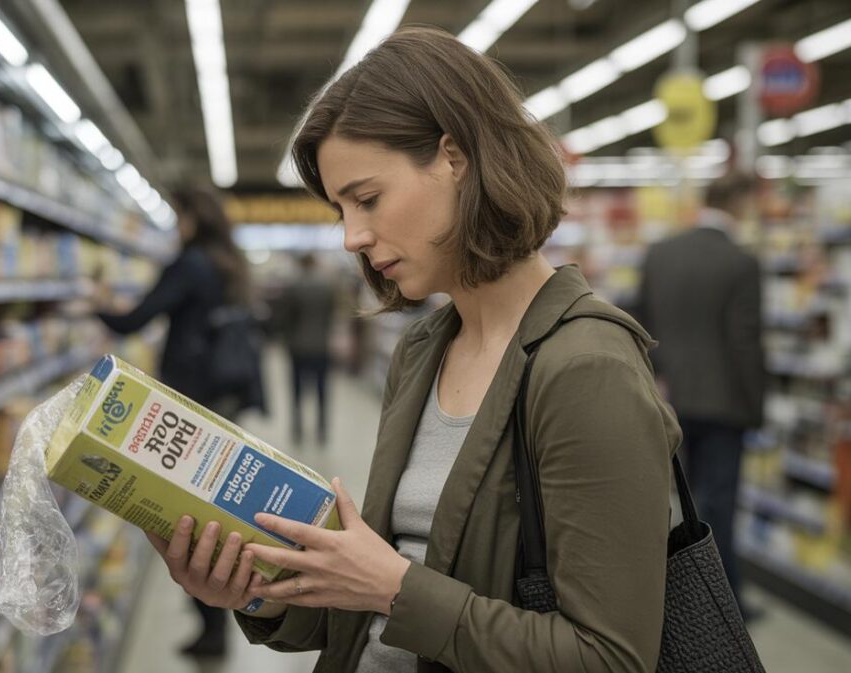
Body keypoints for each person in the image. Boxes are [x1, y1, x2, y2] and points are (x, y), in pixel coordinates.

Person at [142, 26, 683, 672]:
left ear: (453, 158)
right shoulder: (424, 350)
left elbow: (610, 658)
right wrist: (255, 588)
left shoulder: (586, 368)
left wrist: (393, 584)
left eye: (366, 198)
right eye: (341, 210)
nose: (351, 237)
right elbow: (372, 607)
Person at [95, 186, 255, 658]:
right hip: (222, 395)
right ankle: (218, 625)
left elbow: (134, 321)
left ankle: (211, 627)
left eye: (177, 215)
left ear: (190, 218)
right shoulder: (227, 263)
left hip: (191, 397)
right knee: (210, 511)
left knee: (186, 519)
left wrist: (98, 302)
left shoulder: (190, 264)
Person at [635, 171, 765, 611]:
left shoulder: (660, 253)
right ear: (741, 202)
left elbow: (641, 324)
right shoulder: (741, 262)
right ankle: (726, 604)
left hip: (671, 398)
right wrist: (755, 409)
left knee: (679, 501)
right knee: (720, 504)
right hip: (725, 403)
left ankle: (682, 596)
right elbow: (744, 341)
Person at [279, 253, 337, 445]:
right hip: (321, 345)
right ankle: (321, 430)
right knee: (322, 390)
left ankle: (297, 428)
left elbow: (286, 317)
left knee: (296, 390)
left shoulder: (293, 286)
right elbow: (331, 315)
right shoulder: (327, 286)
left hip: (298, 346)